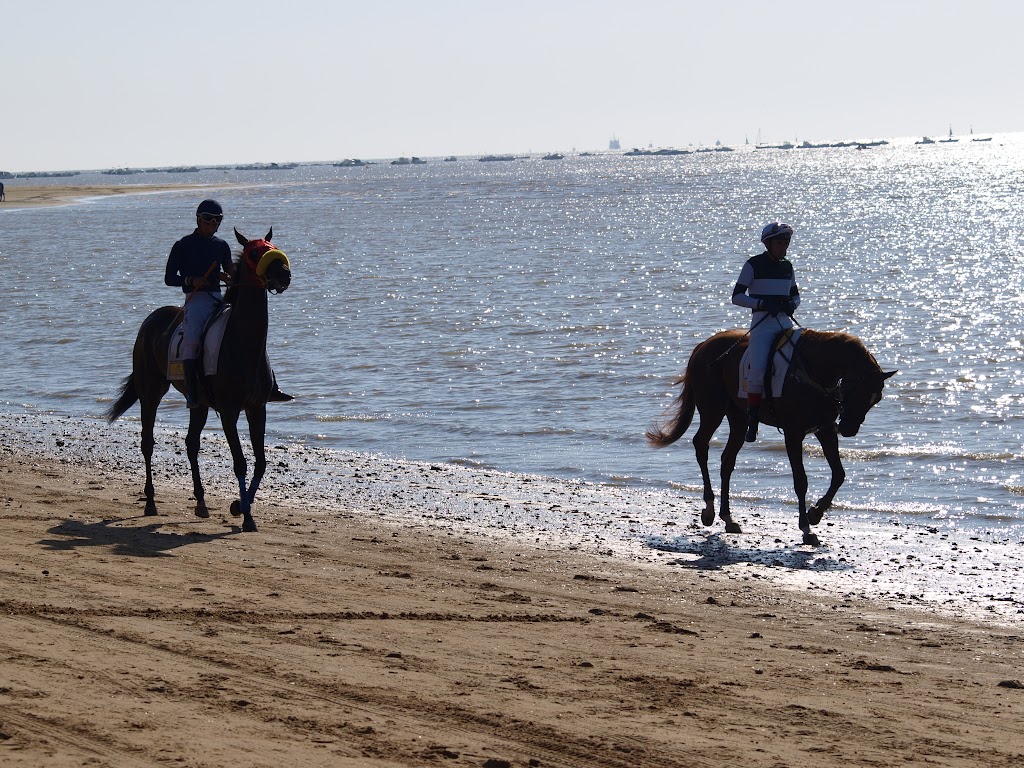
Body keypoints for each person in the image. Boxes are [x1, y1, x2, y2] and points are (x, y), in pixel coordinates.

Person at [165, 199, 292, 408]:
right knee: (192, 338)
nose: (212, 225)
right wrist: (191, 280)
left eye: (217, 221)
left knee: (249, 331)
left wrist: (232, 277)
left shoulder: (221, 245)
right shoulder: (182, 245)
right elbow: (169, 278)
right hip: (196, 300)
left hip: (218, 297)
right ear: (198, 219)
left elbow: (232, 271)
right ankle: (192, 392)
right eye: (208, 220)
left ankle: (270, 386)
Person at [731, 221, 801, 442]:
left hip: (785, 322)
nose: (784, 247)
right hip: (763, 324)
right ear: (768, 244)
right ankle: (753, 418)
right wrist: (761, 303)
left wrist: (792, 304)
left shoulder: (787, 266)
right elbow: (737, 297)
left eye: (786, 243)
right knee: (758, 369)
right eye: (780, 243)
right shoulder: (753, 265)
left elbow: (795, 295)